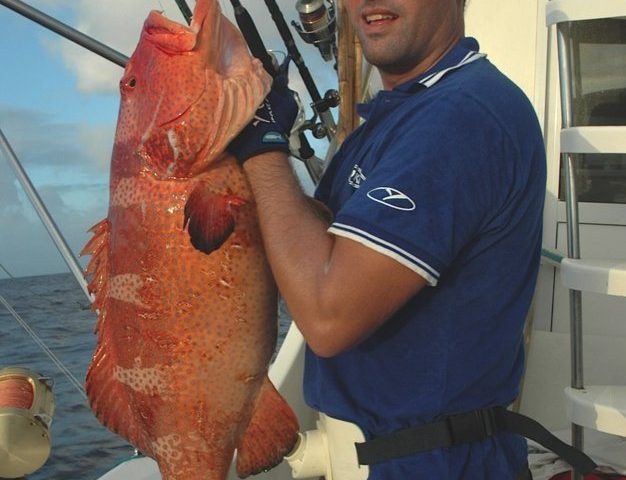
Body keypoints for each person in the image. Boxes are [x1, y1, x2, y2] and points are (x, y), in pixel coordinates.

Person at [228, 0, 546, 478]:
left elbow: (328, 314)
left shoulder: (462, 116)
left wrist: (262, 146)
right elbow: (325, 240)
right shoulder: (402, 113)